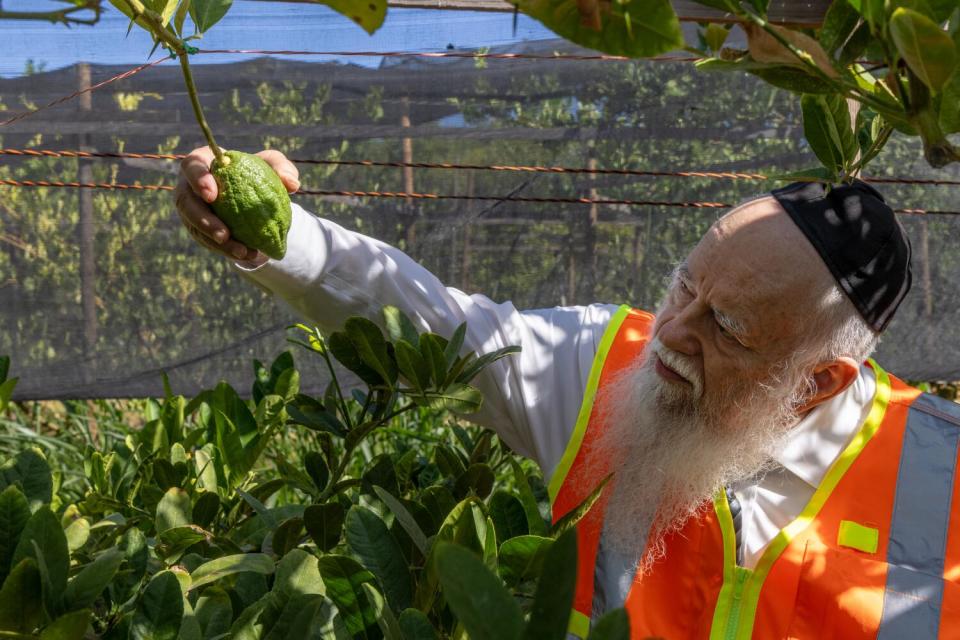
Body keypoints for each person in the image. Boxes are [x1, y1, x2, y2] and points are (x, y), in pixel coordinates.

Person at [175, 147, 960, 639]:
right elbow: (438, 326)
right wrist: (285, 238)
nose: (673, 332)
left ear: (820, 382)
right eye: (684, 285)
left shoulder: (945, 478)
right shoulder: (606, 368)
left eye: (725, 324)